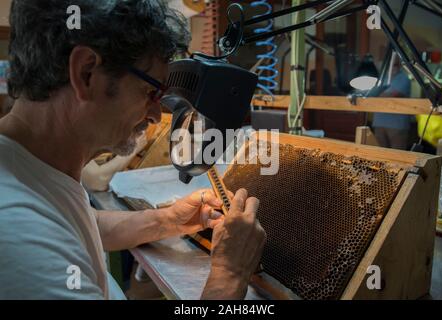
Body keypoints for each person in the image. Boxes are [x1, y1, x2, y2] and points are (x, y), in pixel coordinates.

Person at [0, 0, 266, 300]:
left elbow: (89, 225)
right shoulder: (17, 235)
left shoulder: (29, 169)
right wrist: (229, 276)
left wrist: (171, 220)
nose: (155, 115)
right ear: (86, 72)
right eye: (151, 92)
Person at [372, 55, 413, 150]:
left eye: (396, 64)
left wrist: (377, 93)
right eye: (391, 64)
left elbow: (393, 94)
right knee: (380, 154)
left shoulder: (404, 79)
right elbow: (373, 93)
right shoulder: (382, 78)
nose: (394, 67)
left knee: (397, 155)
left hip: (397, 125)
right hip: (379, 122)